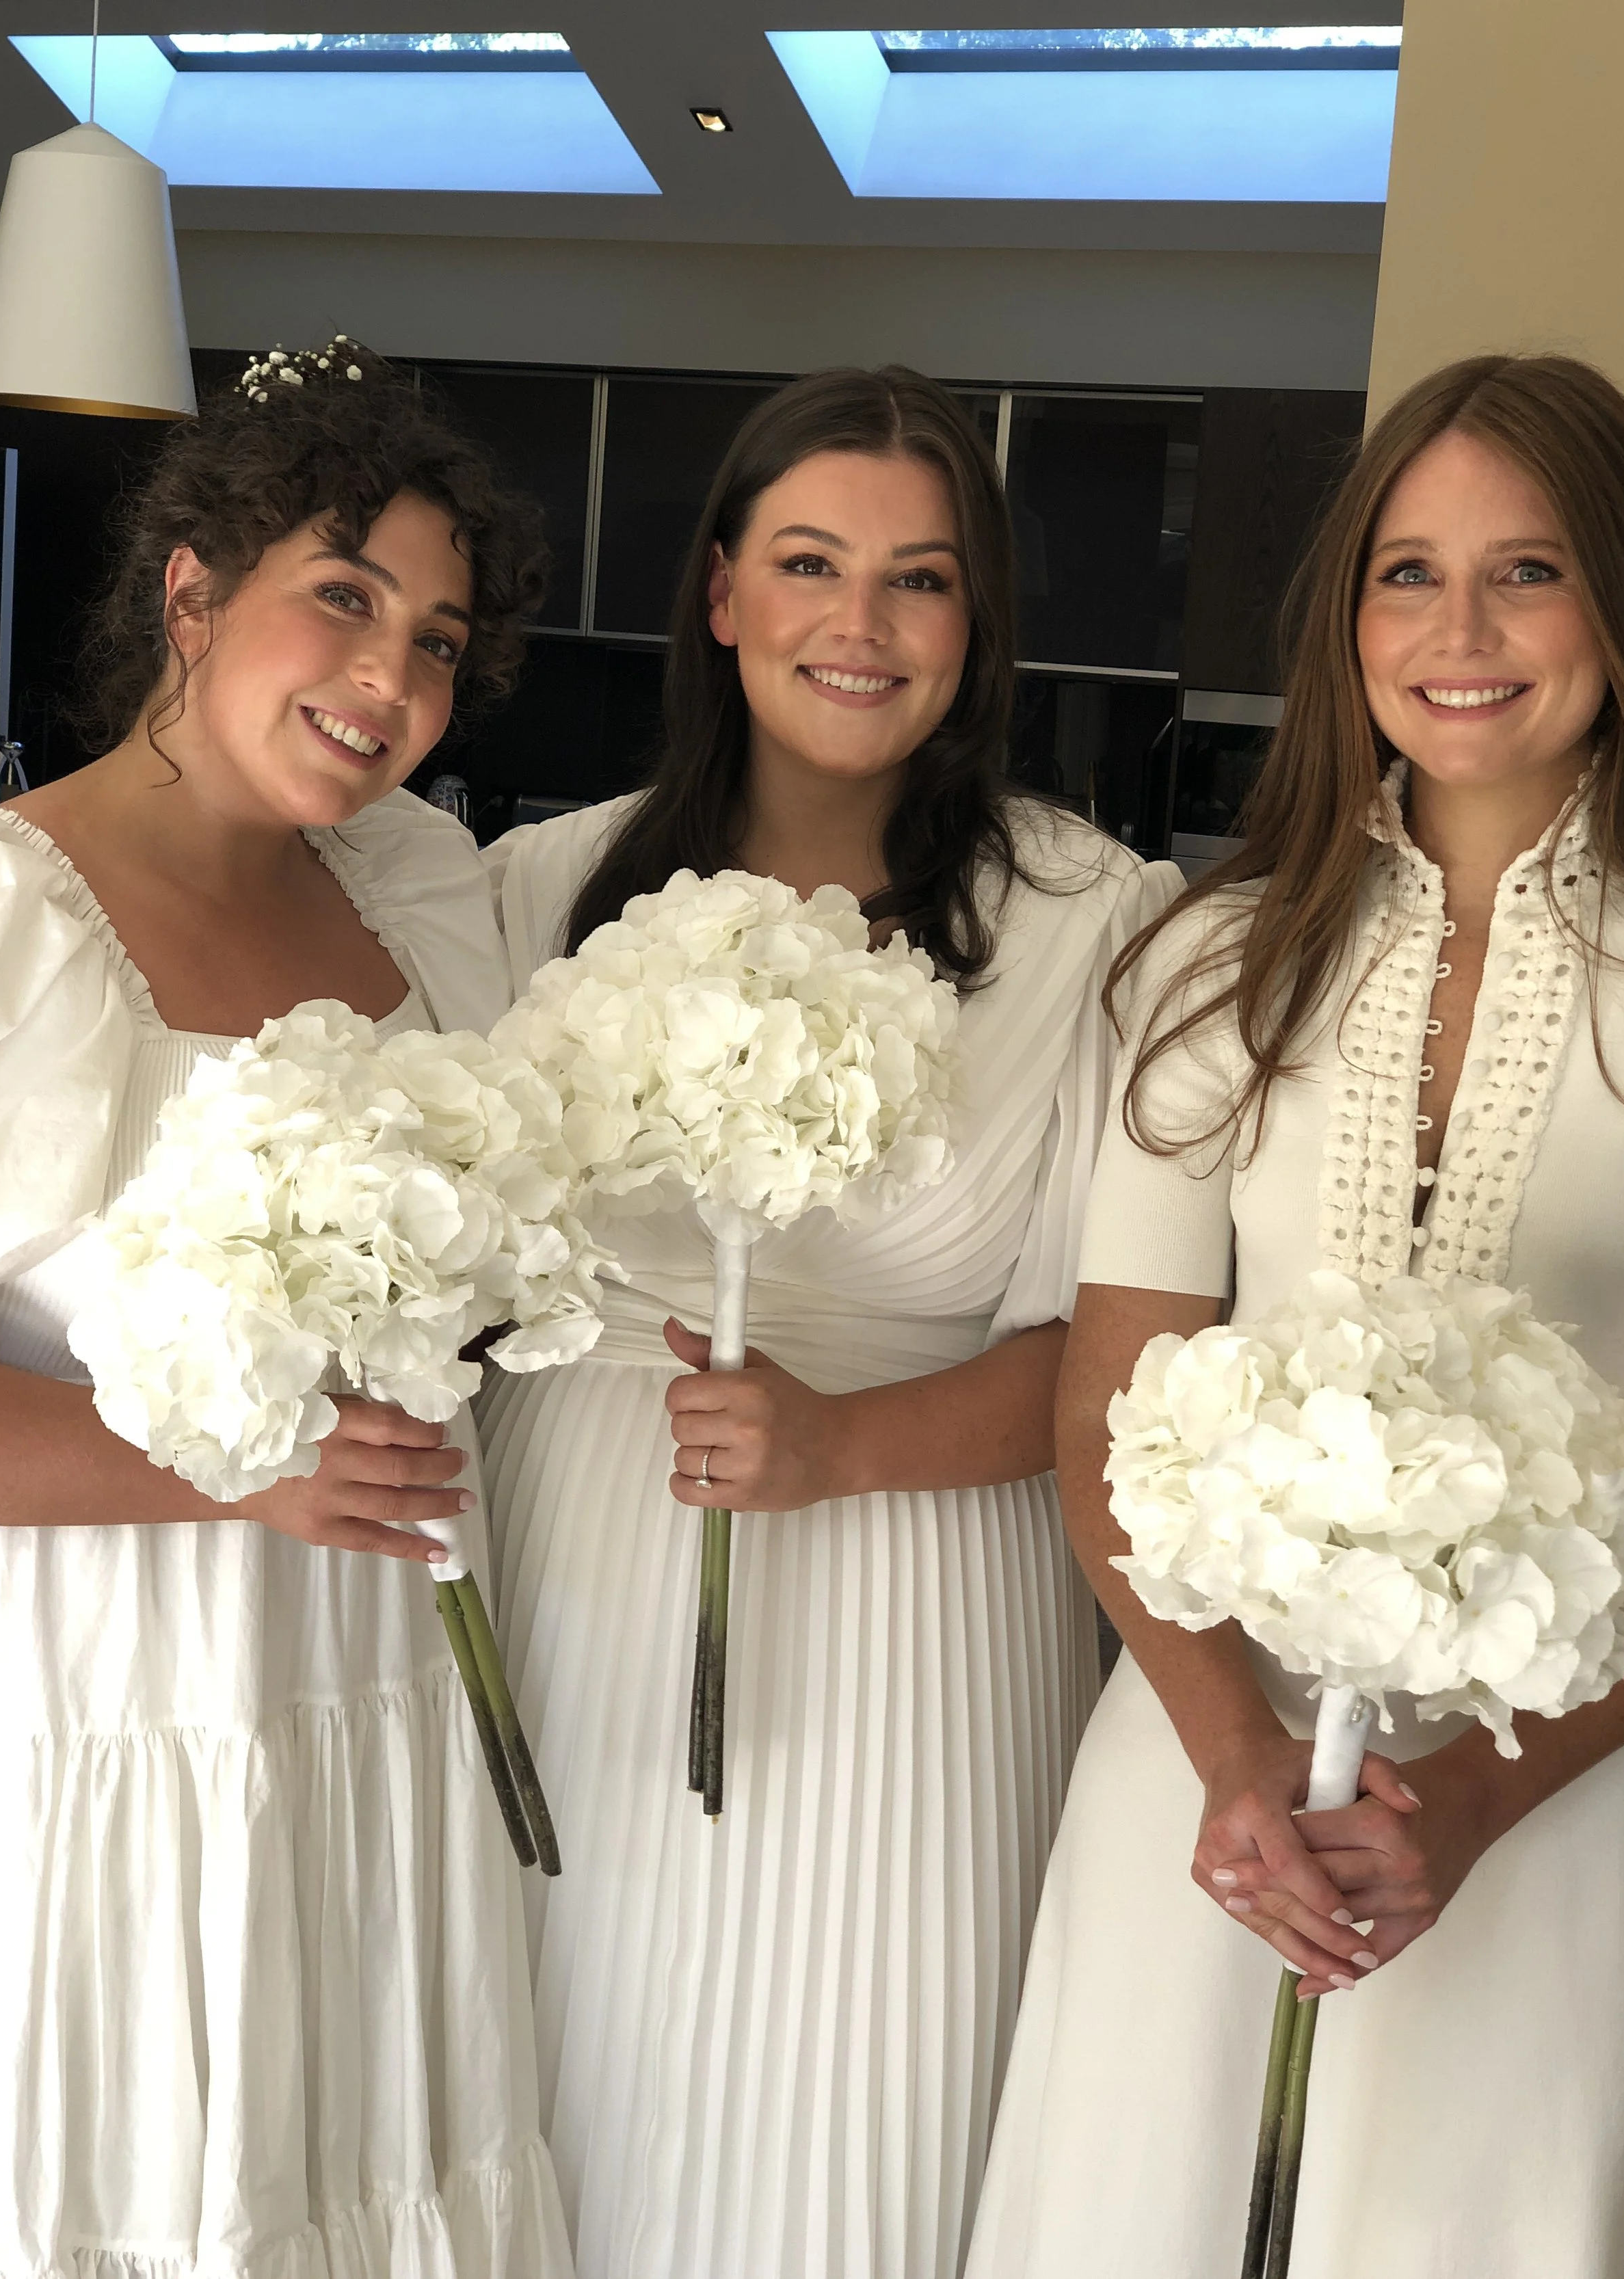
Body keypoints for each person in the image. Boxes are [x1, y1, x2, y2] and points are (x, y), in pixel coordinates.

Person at [966, 352, 1624, 2278]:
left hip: (1573, 1798)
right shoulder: (1212, 958)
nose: (1458, 632)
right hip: (1206, 1793)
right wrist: (1226, 1767)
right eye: (1404, 572)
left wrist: (1469, 1794)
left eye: (1526, 572)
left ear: (1623, 601)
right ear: (1340, 615)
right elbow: (1107, 1412)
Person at [479, 364, 1180, 2279]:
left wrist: (844, 1444)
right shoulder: (531, 888)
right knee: (564, 2074)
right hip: (585, 1579)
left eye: (920, 579)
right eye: (807, 562)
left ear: (977, 628)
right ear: (720, 592)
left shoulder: (1098, 923)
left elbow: (1121, 1355)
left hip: (919, 1601)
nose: (857, 626)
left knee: (862, 2112)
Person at [0, 347, 573, 2275]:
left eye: (440, 638)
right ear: (190, 589)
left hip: (374, 1701)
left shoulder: (416, 900)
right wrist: (240, 1476)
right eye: (345, 594)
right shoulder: (7, 917)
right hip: (116, 1712)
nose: (393, 679)